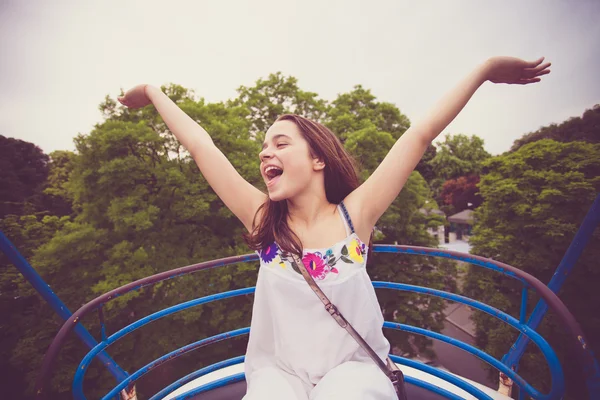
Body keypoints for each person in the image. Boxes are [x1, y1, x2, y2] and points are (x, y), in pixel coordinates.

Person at [118, 56, 551, 399]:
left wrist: (485, 70)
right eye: (263, 147)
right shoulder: (263, 220)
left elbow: (419, 134)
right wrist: (155, 93)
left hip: (354, 373)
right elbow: (200, 145)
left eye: (281, 143)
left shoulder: (354, 215)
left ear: (318, 159)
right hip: (278, 375)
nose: (265, 153)